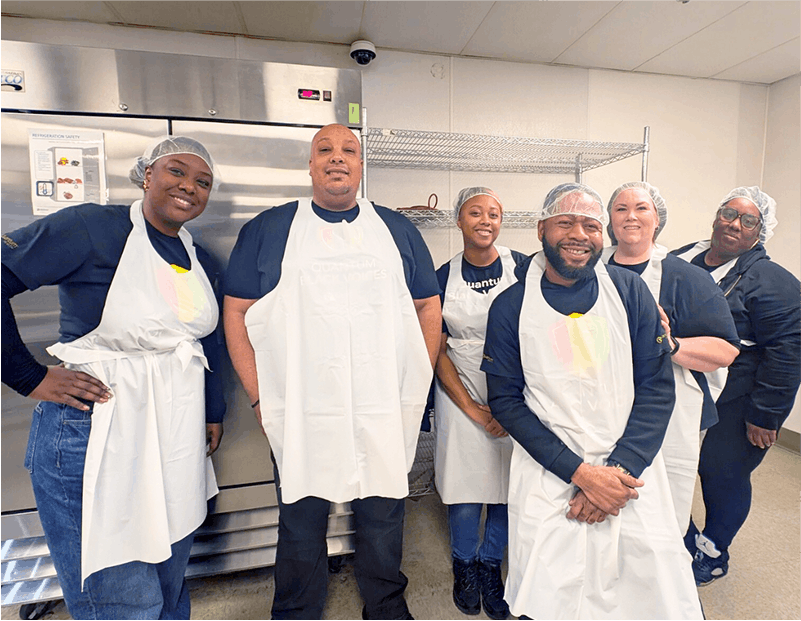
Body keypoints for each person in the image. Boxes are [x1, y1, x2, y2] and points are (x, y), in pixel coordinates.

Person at [1, 136, 225, 620]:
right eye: (177, 171)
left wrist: (212, 411)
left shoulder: (198, 256)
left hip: (174, 437)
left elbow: (201, 344)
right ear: (147, 174)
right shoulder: (89, 228)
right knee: (123, 597)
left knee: (168, 582)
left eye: (202, 181)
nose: (189, 186)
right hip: (95, 433)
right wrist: (28, 377)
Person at [223, 123, 441, 620]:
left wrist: (414, 389)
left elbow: (428, 306)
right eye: (325, 149)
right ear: (310, 164)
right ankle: (297, 609)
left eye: (349, 150)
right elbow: (236, 312)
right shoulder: (270, 228)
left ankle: (385, 604)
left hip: (382, 402)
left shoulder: (397, 230)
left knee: (384, 511)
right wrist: (261, 398)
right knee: (301, 516)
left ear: (362, 166)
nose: (337, 158)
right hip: (303, 405)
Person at [481, 182, 702, 619]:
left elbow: (657, 388)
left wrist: (614, 474)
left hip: (630, 474)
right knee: (552, 591)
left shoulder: (631, 293)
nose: (579, 234)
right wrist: (581, 473)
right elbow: (505, 402)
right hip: (551, 473)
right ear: (542, 228)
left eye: (591, 225)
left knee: (646, 586)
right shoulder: (510, 307)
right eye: (565, 222)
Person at [673, 186, 801, 585]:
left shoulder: (773, 282)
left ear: (760, 232)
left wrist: (765, 416)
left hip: (737, 397)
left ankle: (713, 550)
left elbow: (788, 352)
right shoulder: (683, 258)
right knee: (675, 468)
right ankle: (682, 537)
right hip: (681, 387)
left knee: (721, 472)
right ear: (716, 215)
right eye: (730, 213)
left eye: (749, 221)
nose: (735, 224)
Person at [602, 181, 739, 533]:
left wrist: (672, 344)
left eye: (641, 208)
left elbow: (726, 351)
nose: (630, 216)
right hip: (601, 403)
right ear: (610, 220)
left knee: (658, 505)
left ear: (658, 219)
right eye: (620, 209)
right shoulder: (591, 269)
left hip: (667, 411)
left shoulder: (686, 278)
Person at [433, 187, 528, 620]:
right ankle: (465, 564)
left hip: (517, 387)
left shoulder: (524, 268)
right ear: (459, 220)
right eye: (476, 212)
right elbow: (436, 349)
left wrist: (509, 406)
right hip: (460, 387)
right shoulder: (440, 276)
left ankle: (492, 565)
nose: (486, 220)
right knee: (464, 484)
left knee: (511, 483)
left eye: (494, 213)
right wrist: (473, 409)